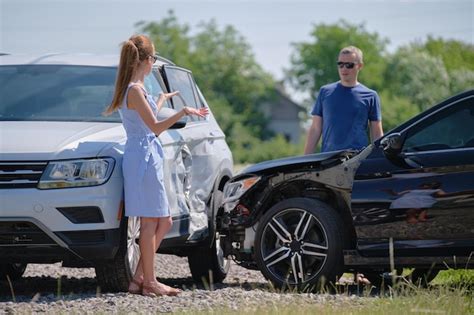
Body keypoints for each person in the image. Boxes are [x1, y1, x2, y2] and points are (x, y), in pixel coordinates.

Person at [105, 34, 208, 297]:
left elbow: (146, 118)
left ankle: (140, 276)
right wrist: (182, 111)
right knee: (151, 221)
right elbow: (155, 126)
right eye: (153, 58)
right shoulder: (135, 90)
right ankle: (149, 281)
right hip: (143, 157)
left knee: (164, 220)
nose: (153, 63)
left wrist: (162, 99)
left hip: (147, 155)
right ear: (146, 60)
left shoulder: (137, 89)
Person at [304, 46, 384, 155]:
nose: (344, 69)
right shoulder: (325, 92)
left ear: (360, 66)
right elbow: (315, 129)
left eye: (349, 65)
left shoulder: (371, 96)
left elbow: (377, 133)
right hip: (328, 160)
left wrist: (379, 159)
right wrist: (306, 159)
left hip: (358, 160)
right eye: (340, 64)